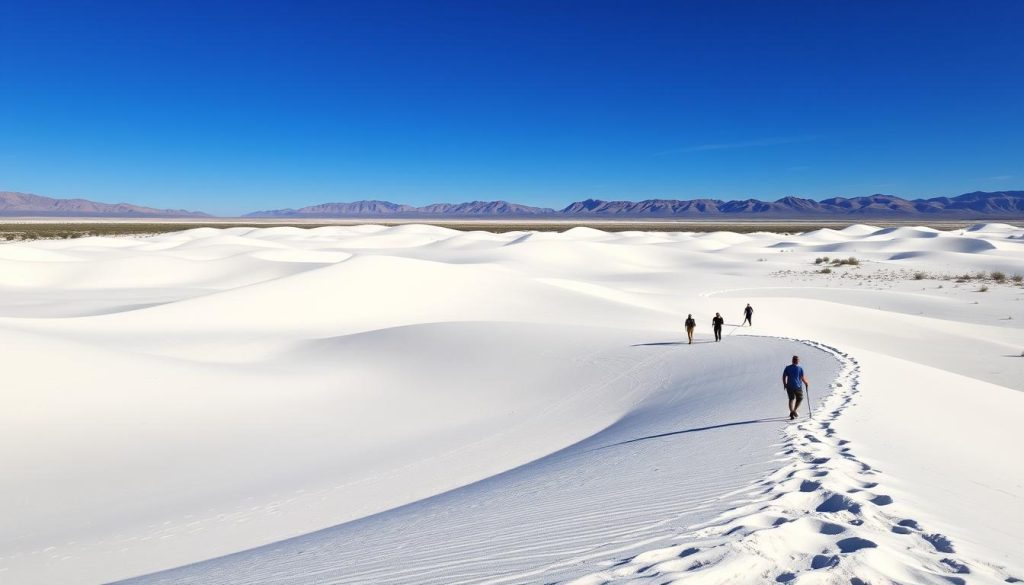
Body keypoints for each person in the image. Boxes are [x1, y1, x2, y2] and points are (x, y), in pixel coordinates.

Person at [782, 355, 810, 420]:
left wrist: (805, 382)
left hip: (798, 386)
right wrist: (785, 384)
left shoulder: (800, 368)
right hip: (790, 386)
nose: (795, 361)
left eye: (796, 360)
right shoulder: (788, 368)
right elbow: (784, 376)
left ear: (798, 361)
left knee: (800, 398)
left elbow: (802, 377)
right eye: (794, 359)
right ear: (792, 360)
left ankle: (793, 411)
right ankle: (792, 412)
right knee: (791, 399)